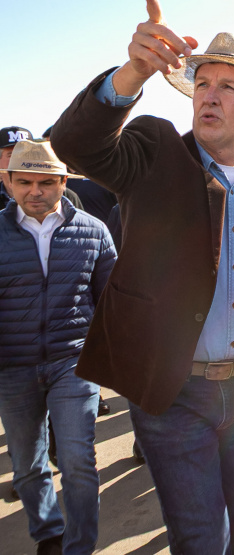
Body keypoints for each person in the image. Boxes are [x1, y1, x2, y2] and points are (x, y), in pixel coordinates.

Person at [50, 3, 234, 552]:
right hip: (175, 391)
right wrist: (133, 73)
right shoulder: (154, 152)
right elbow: (74, 145)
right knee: (200, 534)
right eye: (202, 83)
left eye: (229, 87)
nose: (209, 95)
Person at [0, 140, 115, 555]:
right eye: (25, 181)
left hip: (75, 363)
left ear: (64, 181)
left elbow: (110, 302)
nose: (36, 191)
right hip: (12, 367)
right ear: (7, 180)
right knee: (28, 465)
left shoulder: (93, 231)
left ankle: (79, 545)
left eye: (47, 182)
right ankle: (49, 534)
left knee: (79, 461)